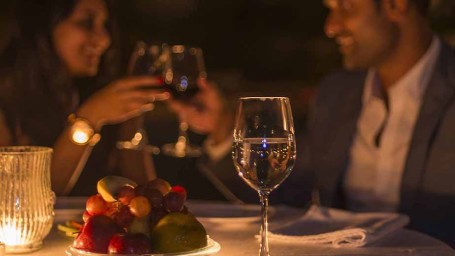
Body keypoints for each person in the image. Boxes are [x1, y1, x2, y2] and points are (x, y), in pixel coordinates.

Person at [168, 0, 455, 246]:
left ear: (397, 4)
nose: (331, 27)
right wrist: (221, 128)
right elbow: (289, 197)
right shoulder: (337, 93)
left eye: (345, 6)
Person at [0, 0, 169, 196]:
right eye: (86, 23)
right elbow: (22, 202)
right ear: (43, 27)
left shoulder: (99, 90)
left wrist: (131, 122)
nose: (104, 39)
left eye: (104, 26)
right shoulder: (7, 100)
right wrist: (88, 119)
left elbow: (148, 195)